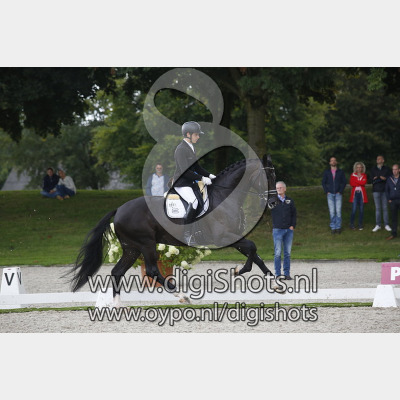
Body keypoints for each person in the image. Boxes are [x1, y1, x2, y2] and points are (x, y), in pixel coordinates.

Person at [172, 121, 216, 245]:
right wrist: (202, 178)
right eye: (196, 134)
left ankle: (198, 232)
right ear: (188, 134)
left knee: (204, 201)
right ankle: (186, 235)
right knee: (194, 202)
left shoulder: (191, 147)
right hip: (181, 183)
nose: (198, 137)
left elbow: (197, 167)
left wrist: (209, 175)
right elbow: (185, 171)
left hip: (190, 183)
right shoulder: (181, 149)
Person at [270, 181, 297, 280]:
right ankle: (277, 274)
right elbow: (264, 206)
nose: (279, 189)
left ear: (285, 189)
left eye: (280, 188)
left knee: (287, 253)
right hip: (277, 230)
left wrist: (292, 225)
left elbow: (294, 213)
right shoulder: (273, 201)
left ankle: (286, 274)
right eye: (277, 188)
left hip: (288, 230)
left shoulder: (289, 200)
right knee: (277, 253)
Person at [322, 157, 347, 234]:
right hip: (330, 194)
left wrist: (340, 191)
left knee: (338, 211)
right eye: (331, 161)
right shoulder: (327, 172)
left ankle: (338, 227)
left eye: (334, 160)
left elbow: (344, 182)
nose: (333, 162)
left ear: (336, 162)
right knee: (332, 212)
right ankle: (333, 227)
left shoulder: (340, 172)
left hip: (338, 194)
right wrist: (327, 191)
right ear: (329, 163)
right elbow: (323, 182)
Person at [370, 155, 391, 232]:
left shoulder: (387, 169)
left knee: (385, 208)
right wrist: (375, 178)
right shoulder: (373, 169)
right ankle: (378, 225)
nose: (378, 160)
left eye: (380, 159)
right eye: (377, 159)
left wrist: (384, 178)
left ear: (383, 160)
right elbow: (371, 179)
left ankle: (386, 224)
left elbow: (389, 178)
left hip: (384, 190)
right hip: (376, 190)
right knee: (378, 208)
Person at [349, 162, 368, 230]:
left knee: (361, 210)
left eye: (360, 167)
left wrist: (356, 181)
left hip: (361, 194)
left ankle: (360, 224)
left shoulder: (364, 175)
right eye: (357, 167)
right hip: (355, 194)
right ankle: (351, 224)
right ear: (355, 168)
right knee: (354, 209)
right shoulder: (353, 174)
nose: (359, 169)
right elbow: (352, 183)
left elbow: (364, 183)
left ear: (362, 168)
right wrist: (359, 182)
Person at [385, 164, 400, 240]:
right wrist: (389, 199)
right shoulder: (389, 179)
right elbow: (386, 190)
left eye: (396, 169)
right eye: (393, 169)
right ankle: (394, 234)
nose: (394, 171)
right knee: (394, 218)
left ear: (399, 170)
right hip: (393, 201)